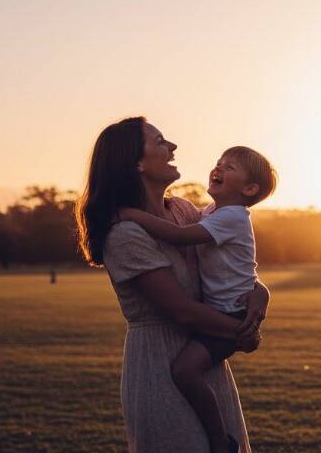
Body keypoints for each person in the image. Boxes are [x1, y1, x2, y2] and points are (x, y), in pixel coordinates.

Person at [75, 117, 269, 453]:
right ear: (136, 162)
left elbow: (229, 266)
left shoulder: (184, 211)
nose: (173, 147)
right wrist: (242, 333)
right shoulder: (124, 233)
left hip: (204, 357)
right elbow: (182, 312)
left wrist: (260, 294)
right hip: (161, 364)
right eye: (161, 141)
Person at [120, 145, 277, 453]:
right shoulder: (209, 212)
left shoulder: (230, 216)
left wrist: (132, 215)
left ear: (249, 188)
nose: (218, 168)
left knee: (184, 371)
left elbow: (180, 236)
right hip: (214, 316)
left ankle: (219, 440)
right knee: (185, 373)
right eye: (219, 162)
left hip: (229, 315)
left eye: (229, 167)